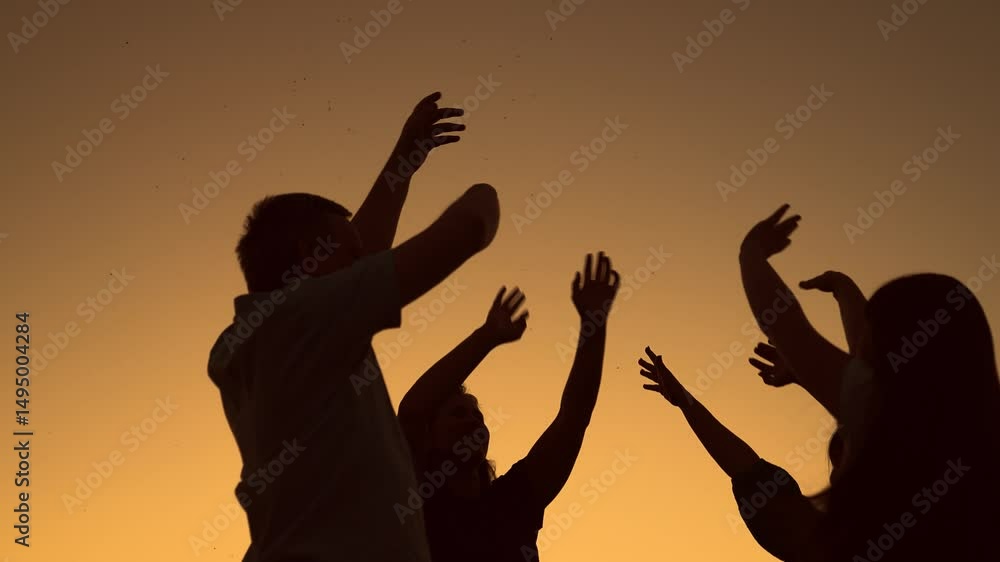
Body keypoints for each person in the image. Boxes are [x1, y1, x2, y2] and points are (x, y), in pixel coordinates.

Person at [207, 92, 500, 561]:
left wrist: (404, 160)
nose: (363, 263)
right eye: (351, 253)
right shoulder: (303, 317)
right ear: (310, 254)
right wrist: (487, 192)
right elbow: (468, 228)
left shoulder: (257, 338)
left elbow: (362, 249)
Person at [396, 253, 620, 562]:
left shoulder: (514, 499)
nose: (473, 421)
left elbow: (574, 417)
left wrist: (594, 323)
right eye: (457, 414)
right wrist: (486, 337)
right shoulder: (417, 496)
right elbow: (413, 410)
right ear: (429, 436)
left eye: (478, 416)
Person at [816, 274, 1000, 561]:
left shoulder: (894, 451)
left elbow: (786, 326)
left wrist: (752, 256)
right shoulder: (975, 452)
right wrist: (843, 289)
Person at [639, 344, 843, 562]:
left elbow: (748, 472)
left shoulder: (828, 542)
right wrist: (683, 400)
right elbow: (748, 471)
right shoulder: (818, 532)